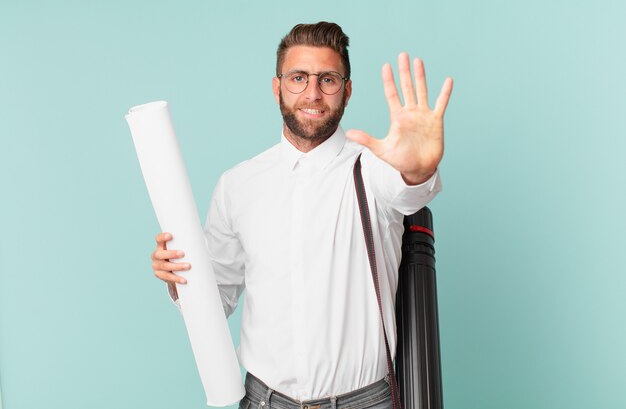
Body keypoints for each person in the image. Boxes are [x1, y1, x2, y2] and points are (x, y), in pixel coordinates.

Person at [151, 22, 452, 409]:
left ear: (347, 89)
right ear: (277, 87)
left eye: (327, 79)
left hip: (365, 402)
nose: (312, 93)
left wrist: (418, 168)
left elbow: (409, 188)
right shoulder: (238, 184)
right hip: (263, 401)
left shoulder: (375, 170)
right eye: (298, 78)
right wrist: (180, 280)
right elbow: (219, 297)